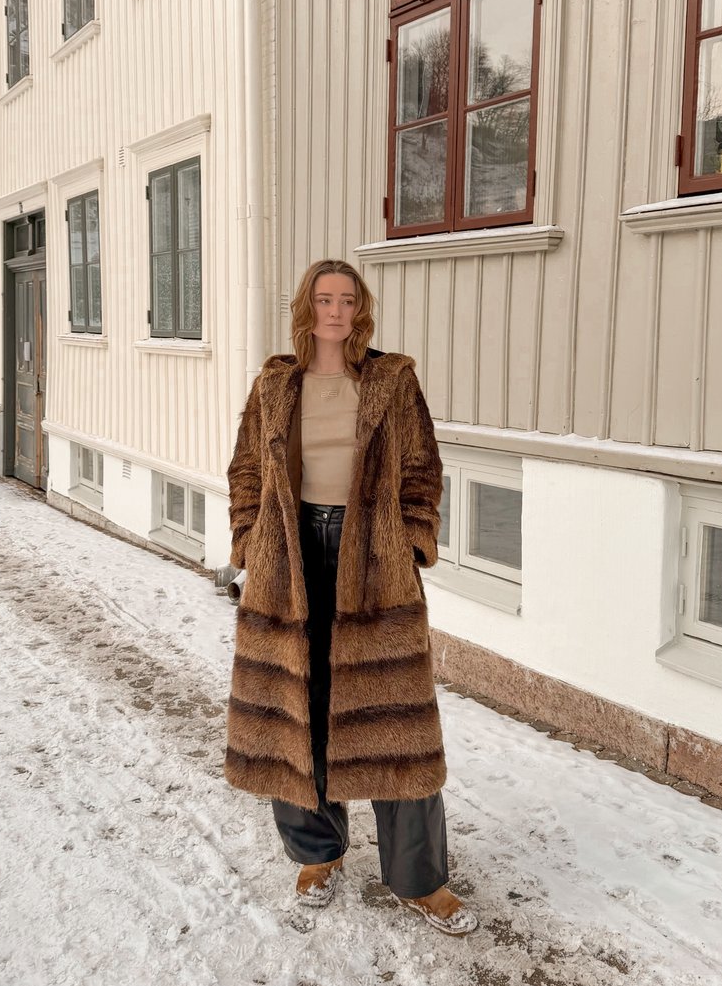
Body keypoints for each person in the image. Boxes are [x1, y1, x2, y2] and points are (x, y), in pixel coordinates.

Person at [224, 259, 476, 936]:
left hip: (375, 555)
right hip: (292, 552)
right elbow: (246, 466)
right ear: (305, 309)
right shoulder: (275, 383)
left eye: (347, 300)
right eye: (323, 299)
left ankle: (420, 878)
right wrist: (249, 540)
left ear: (360, 310)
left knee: (397, 723)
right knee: (296, 708)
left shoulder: (392, 381)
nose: (335, 311)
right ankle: (317, 854)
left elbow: (423, 465)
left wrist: (414, 541)